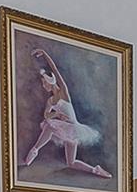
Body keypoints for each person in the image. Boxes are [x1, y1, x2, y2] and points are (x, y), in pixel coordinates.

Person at [22, 47, 111, 178]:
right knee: (50, 125)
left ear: (50, 81)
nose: (43, 86)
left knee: (71, 162)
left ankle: (96, 169)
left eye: (44, 82)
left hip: (73, 129)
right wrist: (56, 115)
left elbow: (55, 70)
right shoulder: (50, 100)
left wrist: (45, 54)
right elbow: (46, 115)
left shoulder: (63, 93)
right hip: (64, 128)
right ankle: (34, 151)